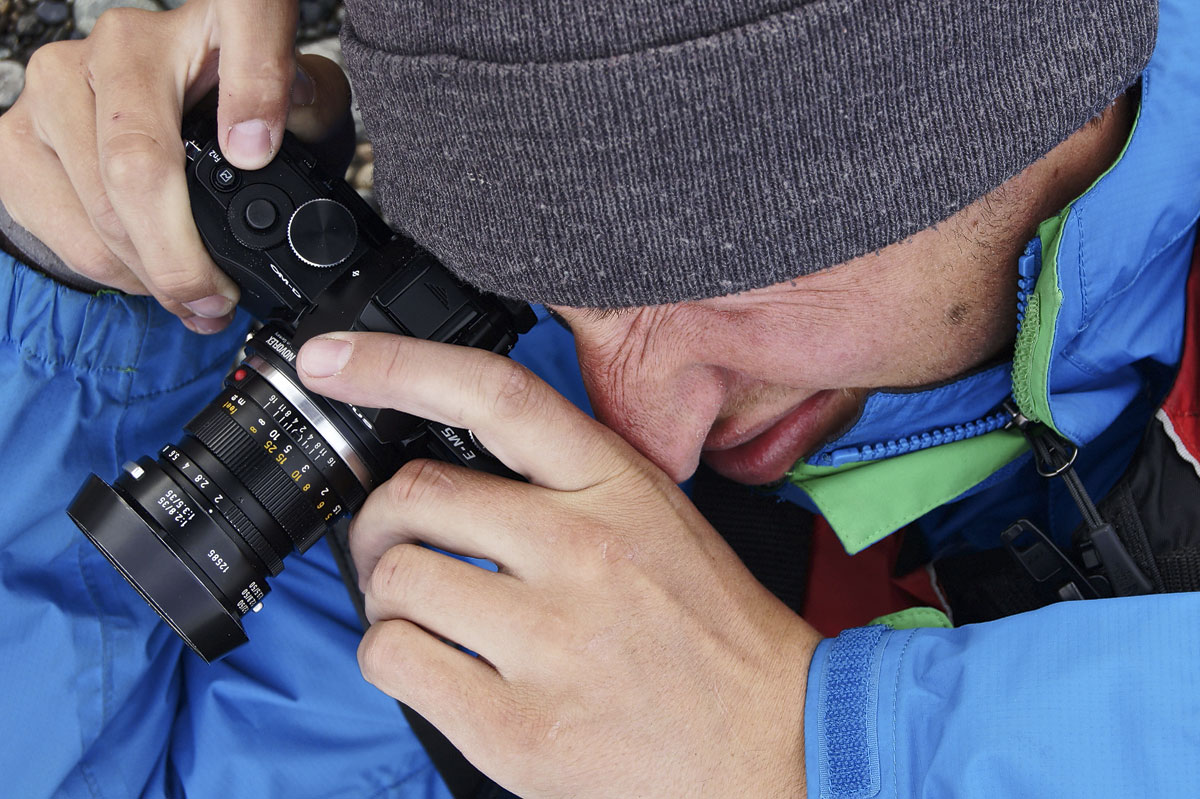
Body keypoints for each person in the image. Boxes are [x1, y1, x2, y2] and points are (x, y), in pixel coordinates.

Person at [0, 0, 1195, 796]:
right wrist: (91, 306)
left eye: (713, 286)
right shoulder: (514, 427)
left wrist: (817, 744)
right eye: (554, 297)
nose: (651, 444)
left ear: (1029, 98)